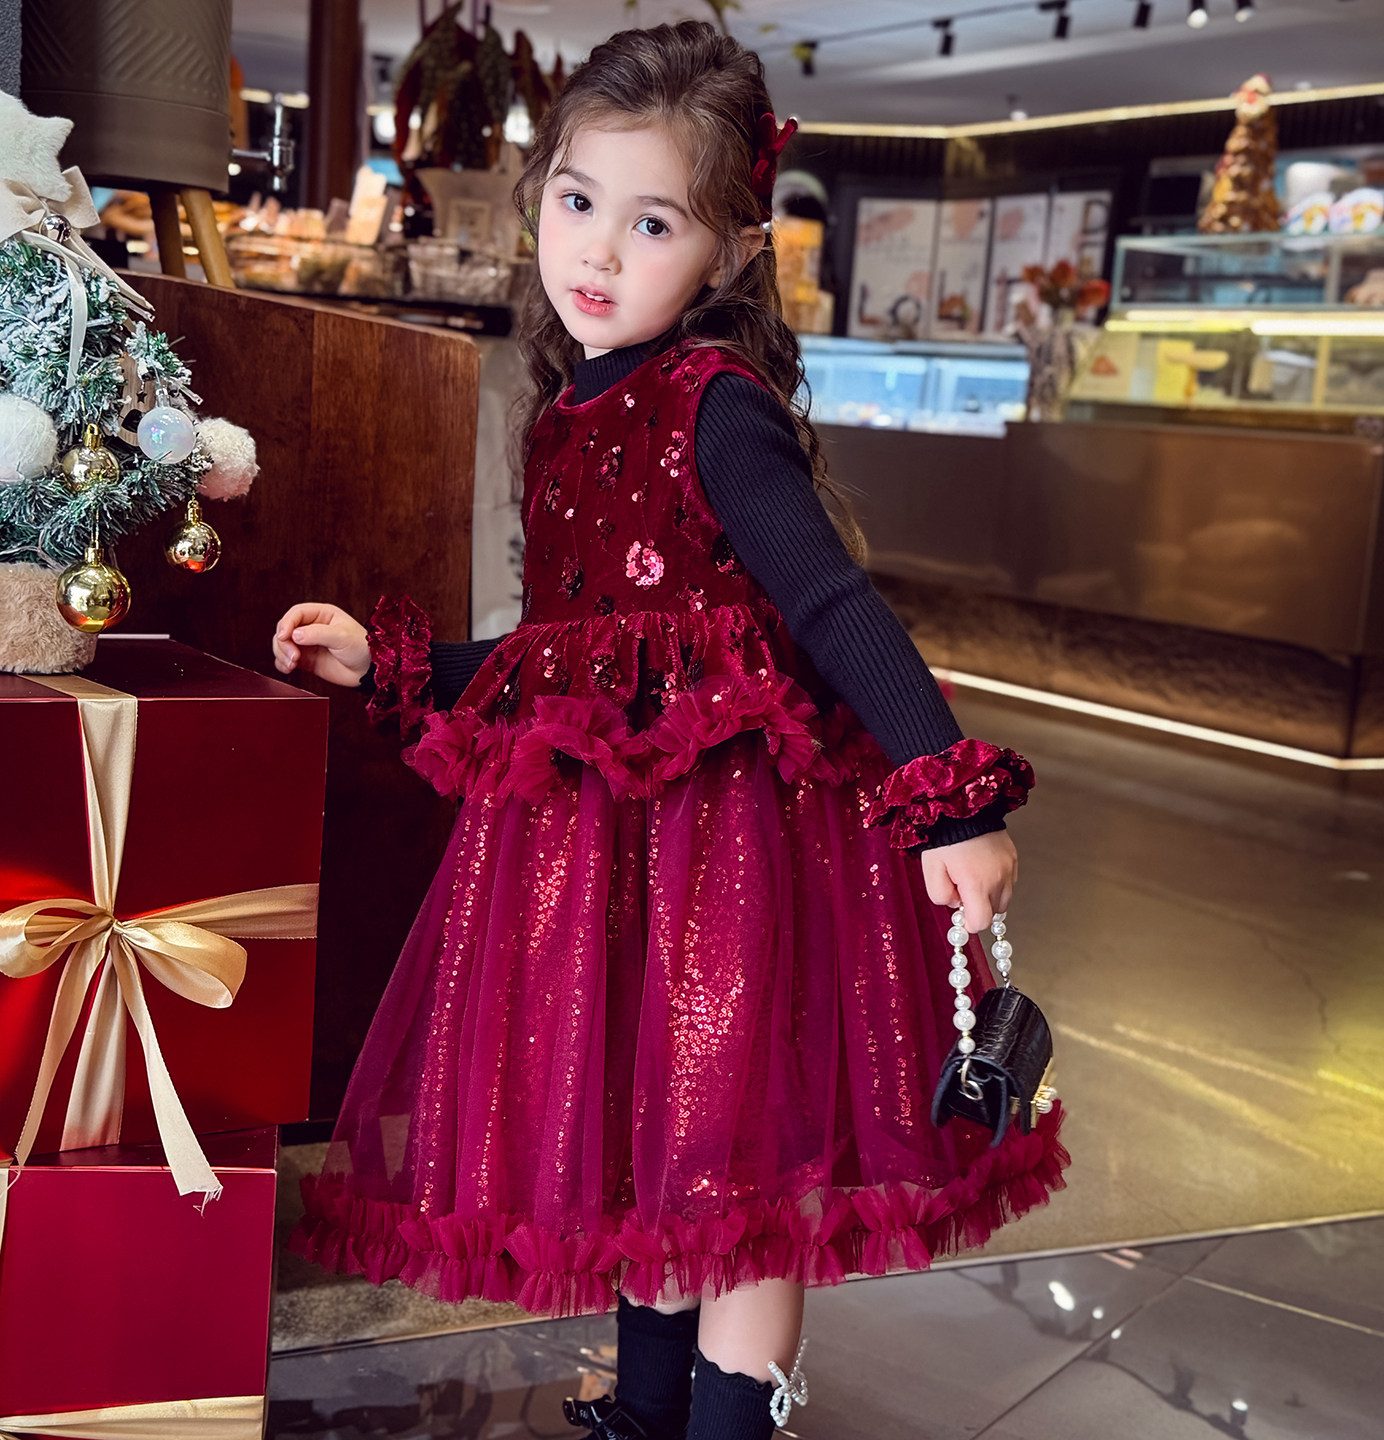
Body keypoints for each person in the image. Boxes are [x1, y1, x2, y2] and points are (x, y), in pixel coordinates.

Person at [272, 21, 1066, 1440]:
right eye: (579, 201)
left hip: (734, 860)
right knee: (647, 1140)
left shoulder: (714, 411)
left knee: (732, 1162)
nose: (598, 250)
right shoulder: (563, 416)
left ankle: (725, 1422)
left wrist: (953, 797)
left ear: (729, 255)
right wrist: (396, 661)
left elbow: (831, 602)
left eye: (652, 224)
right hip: (608, 863)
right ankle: (647, 1411)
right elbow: (565, 658)